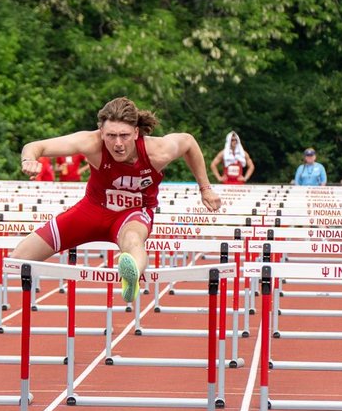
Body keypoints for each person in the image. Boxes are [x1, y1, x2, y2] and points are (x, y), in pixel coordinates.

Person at [11, 96, 221, 303]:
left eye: (124, 135)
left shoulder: (156, 150)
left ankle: (132, 274)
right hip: (91, 211)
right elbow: (36, 146)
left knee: (132, 241)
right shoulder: (90, 142)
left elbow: (189, 143)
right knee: (17, 259)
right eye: (111, 135)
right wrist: (29, 160)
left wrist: (205, 188)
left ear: (136, 132)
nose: (118, 143)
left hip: (132, 214)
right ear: (101, 132)